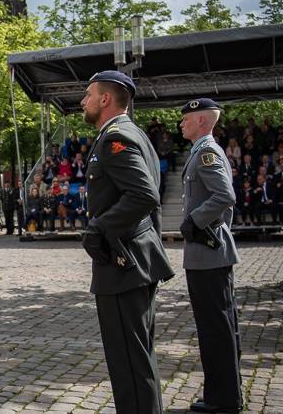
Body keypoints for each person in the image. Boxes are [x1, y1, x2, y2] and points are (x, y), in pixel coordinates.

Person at [79, 70, 175, 414]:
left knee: (129, 364)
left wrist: (99, 227)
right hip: (133, 261)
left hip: (123, 265)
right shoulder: (132, 133)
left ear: (105, 99)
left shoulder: (116, 137)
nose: (83, 102)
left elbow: (144, 195)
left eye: (88, 95)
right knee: (138, 359)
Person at [178, 98, 243, 413]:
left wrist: (194, 220)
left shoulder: (206, 152)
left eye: (186, 118)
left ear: (202, 120)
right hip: (209, 253)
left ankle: (223, 400)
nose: (181, 123)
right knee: (220, 326)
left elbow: (225, 195)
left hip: (208, 252)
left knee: (215, 329)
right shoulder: (202, 151)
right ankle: (225, 394)